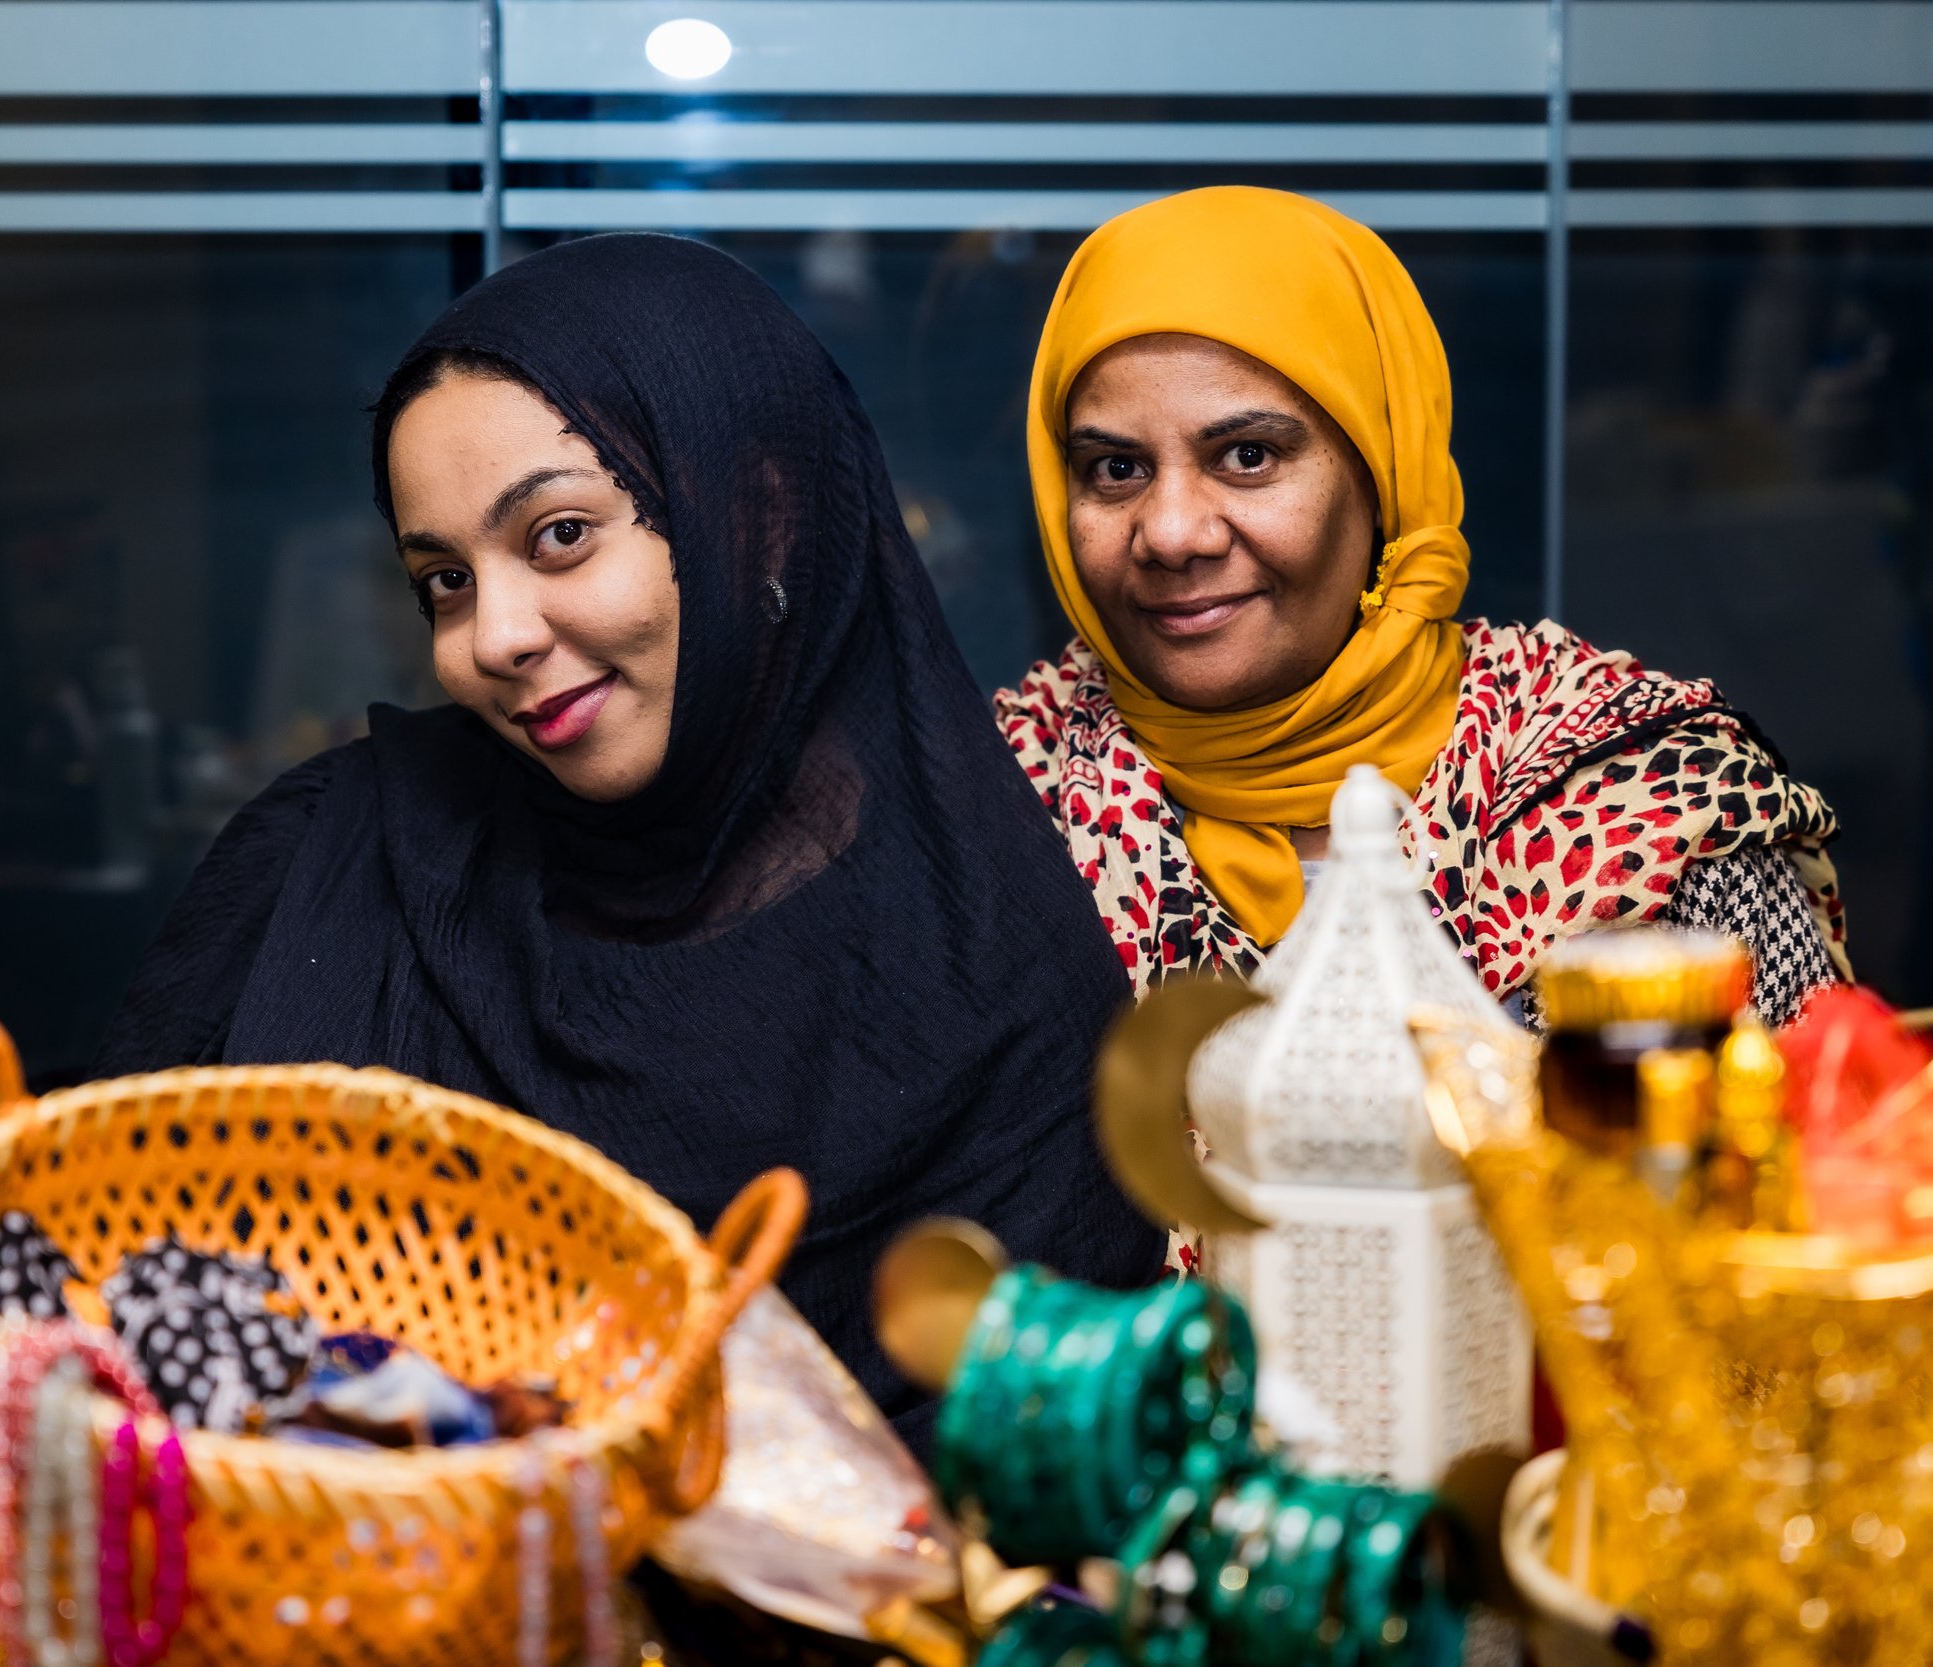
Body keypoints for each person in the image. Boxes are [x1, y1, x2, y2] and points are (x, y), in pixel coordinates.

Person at [94, 232, 1163, 1440]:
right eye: (443, 579)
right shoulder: (334, 856)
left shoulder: (994, 967)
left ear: (756, 514)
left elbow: (1031, 1482)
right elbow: (82, 1318)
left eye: (557, 535)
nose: (492, 636)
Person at [996, 187, 1849, 1021]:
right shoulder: (999, 803)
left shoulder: (1632, 792)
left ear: (1383, 474)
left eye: (1248, 455)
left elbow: (1805, 1145)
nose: (1173, 532)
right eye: (1116, 469)